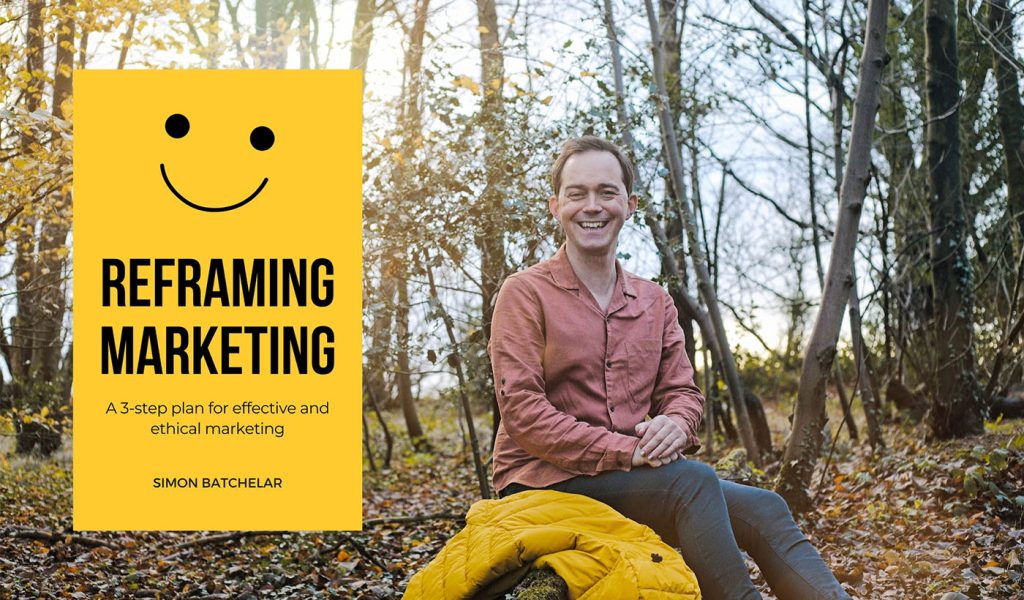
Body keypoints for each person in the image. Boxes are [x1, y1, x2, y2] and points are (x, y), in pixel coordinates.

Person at [488, 136, 851, 600]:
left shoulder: (654, 301)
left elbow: (682, 391)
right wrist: (627, 451)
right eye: (577, 194)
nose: (592, 206)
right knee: (692, 481)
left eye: (607, 192)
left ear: (630, 204)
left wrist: (677, 425)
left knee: (766, 507)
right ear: (555, 206)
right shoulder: (525, 292)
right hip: (541, 482)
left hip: (634, 478)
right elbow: (522, 412)